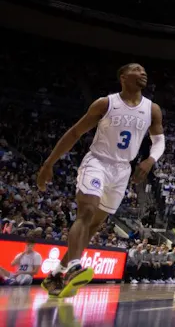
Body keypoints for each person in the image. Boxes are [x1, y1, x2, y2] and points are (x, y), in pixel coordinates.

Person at [36, 63, 165, 298]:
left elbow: (159, 141)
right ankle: (75, 266)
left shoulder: (152, 109)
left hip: (122, 170)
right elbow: (75, 132)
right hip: (97, 162)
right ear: (123, 77)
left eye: (145, 69)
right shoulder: (105, 103)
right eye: (137, 69)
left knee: (94, 225)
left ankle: (57, 273)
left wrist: (150, 160)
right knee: (85, 213)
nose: (143, 72)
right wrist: (49, 163)